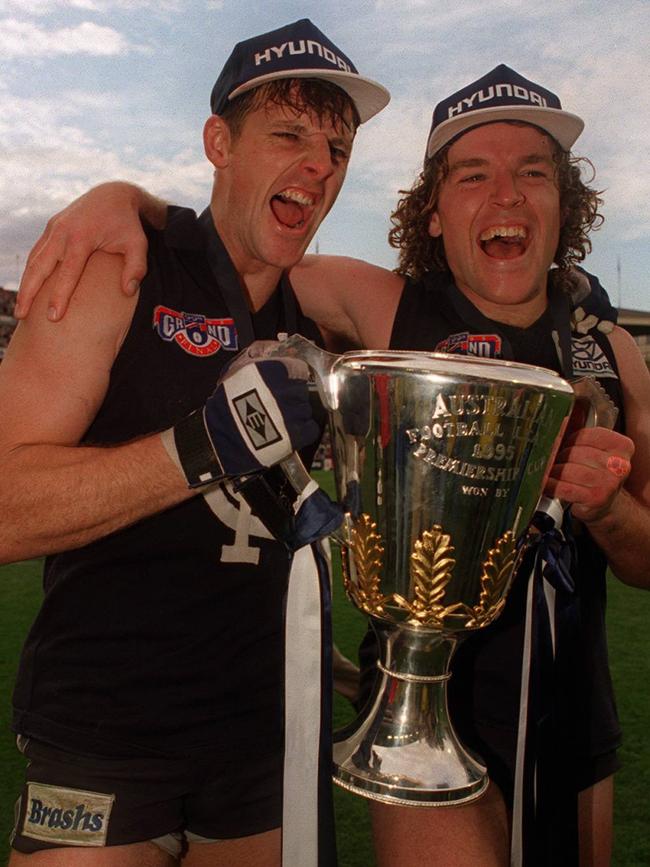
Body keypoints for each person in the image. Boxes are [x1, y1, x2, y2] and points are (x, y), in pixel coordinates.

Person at [15, 65, 650, 867]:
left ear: (565, 203)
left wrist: (611, 510)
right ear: (433, 212)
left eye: (534, 174)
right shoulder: (382, 309)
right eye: (472, 176)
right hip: (417, 714)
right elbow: (228, 250)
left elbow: (645, 556)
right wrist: (121, 198)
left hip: (573, 720)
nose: (507, 197)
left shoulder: (612, 352)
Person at [0, 18, 390, 867]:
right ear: (219, 142)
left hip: (263, 737)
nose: (319, 166)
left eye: (337, 147)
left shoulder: (320, 313)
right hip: (104, 725)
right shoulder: (120, 271)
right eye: (289, 134)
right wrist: (196, 448)